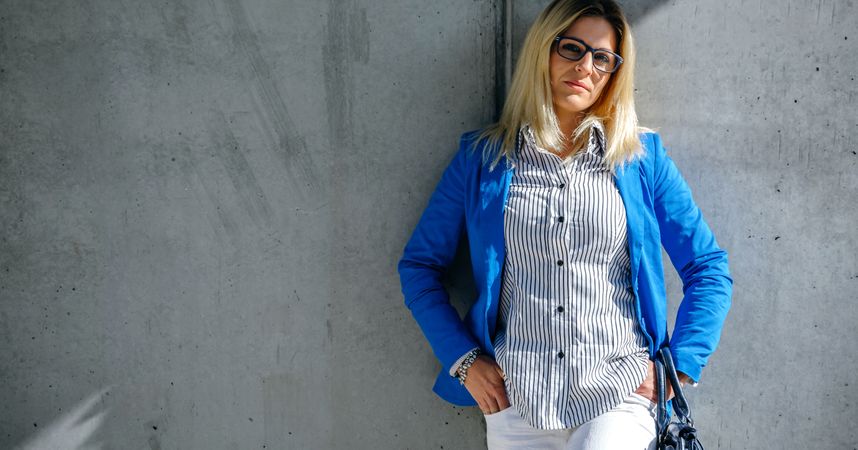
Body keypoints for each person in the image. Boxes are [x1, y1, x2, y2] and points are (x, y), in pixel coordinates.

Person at [397, 0, 733, 448]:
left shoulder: (640, 159)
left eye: (602, 58)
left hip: (619, 390)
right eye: (571, 49)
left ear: (614, 72)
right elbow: (419, 266)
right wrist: (464, 360)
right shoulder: (483, 159)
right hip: (515, 398)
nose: (585, 68)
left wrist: (681, 367)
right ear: (543, 51)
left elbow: (707, 266)